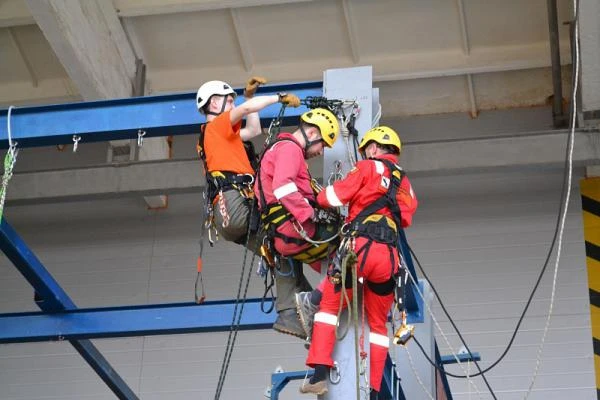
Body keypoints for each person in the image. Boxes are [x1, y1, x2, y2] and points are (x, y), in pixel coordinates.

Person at [298, 126, 418, 398]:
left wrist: (315, 197)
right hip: (388, 260)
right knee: (378, 327)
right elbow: (407, 218)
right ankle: (374, 391)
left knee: (328, 306)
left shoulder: (366, 167)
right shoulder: (405, 183)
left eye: (367, 149)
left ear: (374, 148)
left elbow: (334, 197)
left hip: (359, 250)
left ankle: (318, 374)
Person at [254, 108, 341, 339]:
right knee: (355, 245)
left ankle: (318, 316)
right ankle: (314, 304)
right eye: (322, 145)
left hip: (286, 234)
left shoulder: (278, 150)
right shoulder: (289, 149)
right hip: (296, 229)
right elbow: (284, 188)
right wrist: (312, 214)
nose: (321, 152)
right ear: (312, 132)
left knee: (334, 270)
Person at [196, 77, 300, 246]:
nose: (233, 107)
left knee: (282, 258)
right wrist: (279, 97)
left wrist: (249, 97)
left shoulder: (214, 137)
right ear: (214, 104)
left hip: (228, 214)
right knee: (286, 219)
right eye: (229, 102)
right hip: (234, 203)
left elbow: (254, 130)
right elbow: (245, 109)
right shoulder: (215, 127)